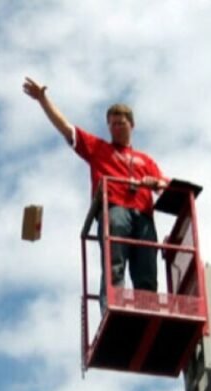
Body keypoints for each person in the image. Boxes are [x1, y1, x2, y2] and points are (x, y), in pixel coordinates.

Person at [22, 76, 168, 300]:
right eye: (112, 124)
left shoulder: (145, 160)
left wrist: (155, 183)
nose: (117, 127)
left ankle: (146, 311)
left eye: (121, 123)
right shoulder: (98, 148)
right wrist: (43, 100)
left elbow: (165, 186)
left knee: (147, 271)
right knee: (114, 266)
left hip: (143, 217)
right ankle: (113, 306)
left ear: (132, 125)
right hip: (115, 210)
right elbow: (66, 128)